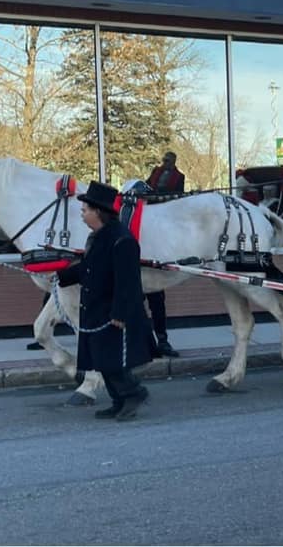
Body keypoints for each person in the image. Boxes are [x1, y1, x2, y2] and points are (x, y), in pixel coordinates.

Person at [57, 181, 156, 421]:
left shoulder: (122, 240)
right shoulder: (99, 237)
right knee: (101, 359)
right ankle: (118, 400)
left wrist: (120, 314)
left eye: (85, 210)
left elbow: (128, 282)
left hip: (113, 313)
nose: (82, 214)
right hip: (96, 309)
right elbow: (89, 269)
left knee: (113, 360)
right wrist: (61, 276)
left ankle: (133, 393)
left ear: (98, 211)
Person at [144, 151, 185, 357]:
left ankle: (162, 339)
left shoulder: (179, 177)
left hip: (156, 259)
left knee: (157, 301)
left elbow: (178, 197)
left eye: (169, 160)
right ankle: (146, 341)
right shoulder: (155, 172)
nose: (166, 163)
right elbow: (147, 186)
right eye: (165, 160)